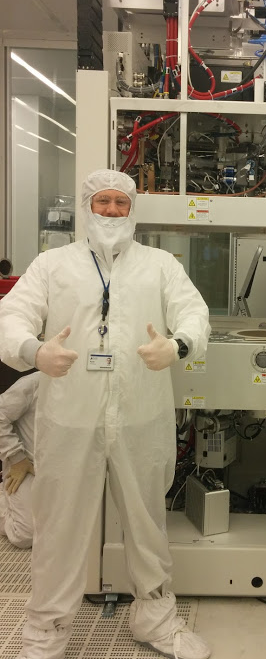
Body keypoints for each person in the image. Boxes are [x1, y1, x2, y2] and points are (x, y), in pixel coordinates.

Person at [0, 169, 211, 659]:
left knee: (146, 523)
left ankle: (155, 619)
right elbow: (11, 315)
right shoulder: (54, 265)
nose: (112, 211)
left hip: (140, 417)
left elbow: (194, 313)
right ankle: (45, 633)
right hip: (69, 420)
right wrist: (34, 351)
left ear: (133, 209)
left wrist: (177, 346)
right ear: (86, 207)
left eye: (121, 202)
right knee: (59, 528)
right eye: (103, 202)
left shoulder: (159, 265)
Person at [0, 372, 39, 549]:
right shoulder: (33, 383)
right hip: (26, 465)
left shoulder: (89, 389)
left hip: (62, 470)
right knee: (25, 534)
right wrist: (16, 458)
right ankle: (5, 497)